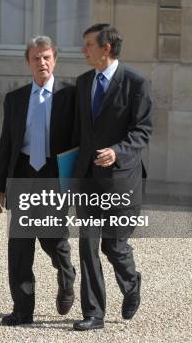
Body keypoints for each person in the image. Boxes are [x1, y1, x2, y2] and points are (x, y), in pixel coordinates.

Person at [0, 36, 76, 326]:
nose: (42, 62)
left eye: (47, 57)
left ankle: (67, 275)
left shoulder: (70, 96)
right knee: (20, 245)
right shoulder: (14, 99)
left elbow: (80, 142)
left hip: (55, 172)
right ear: (28, 62)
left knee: (52, 237)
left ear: (55, 60)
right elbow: (6, 143)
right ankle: (22, 309)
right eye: (36, 58)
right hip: (24, 171)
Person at [72, 24, 152, 331]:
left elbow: (142, 130)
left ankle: (131, 282)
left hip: (122, 180)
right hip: (87, 178)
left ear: (106, 48)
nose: (84, 50)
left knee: (114, 245)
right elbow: (76, 131)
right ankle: (94, 313)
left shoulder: (136, 83)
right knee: (87, 244)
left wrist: (118, 152)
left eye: (89, 44)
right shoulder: (82, 83)